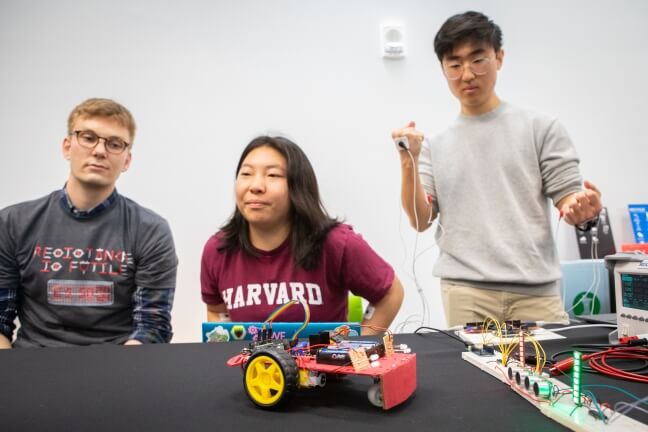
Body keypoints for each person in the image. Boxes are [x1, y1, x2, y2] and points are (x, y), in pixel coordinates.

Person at [392, 11, 602, 327]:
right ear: (443, 69)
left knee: (545, 375)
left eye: (478, 60)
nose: (467, 74)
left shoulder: (541, 128)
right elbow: (421, 220)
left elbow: (570, 199)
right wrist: (408, 162)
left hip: (536, 292)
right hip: (466, 292)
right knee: (472, 376)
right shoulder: (434, 145)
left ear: (499, 57)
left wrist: (582, 210)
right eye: (455, 64)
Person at [0, 98, 178, 348]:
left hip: (117, 369)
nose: (99, 150)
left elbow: (152, 327)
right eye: (88, 137)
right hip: (31, 368)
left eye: (115, 144)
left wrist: (119, 381)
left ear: (127, 160)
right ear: (67, 147)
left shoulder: (151, 231)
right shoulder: (13, 223)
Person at [201, 136, 404, 335]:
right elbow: (217, 312)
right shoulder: (218, 249)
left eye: (272, 175)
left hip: (323, 368)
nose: (255, 186)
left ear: (298, 187)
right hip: (255, 368)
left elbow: (390, 294)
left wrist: (356, 348)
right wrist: (228, 351)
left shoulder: (337, 243)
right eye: (246, 174)